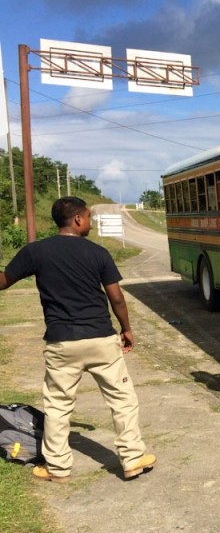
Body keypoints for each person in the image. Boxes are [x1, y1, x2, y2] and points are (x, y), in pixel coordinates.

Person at [0, 197, 156, 482]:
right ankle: (133, 459)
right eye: (89, 217)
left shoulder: (35, 251)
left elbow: (3, 281)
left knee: (58, 406)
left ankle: (58, 468)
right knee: (122, 400)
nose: (91, 223)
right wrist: (126, 329)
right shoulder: (98, 253)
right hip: (101, 340)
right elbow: (116, 298)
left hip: (62, 343)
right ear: (77, 219)